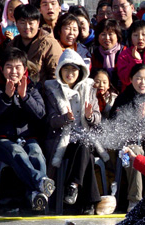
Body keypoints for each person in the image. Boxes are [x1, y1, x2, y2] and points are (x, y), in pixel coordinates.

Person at [0, 47, 53, 211]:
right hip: (1, 140)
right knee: (17, 152)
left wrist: (24, 97)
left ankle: (35, 195)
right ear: (1, 68)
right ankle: (40, 182)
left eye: (17, 67)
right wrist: (6, 97)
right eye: (9, 67)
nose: (13, 71)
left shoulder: (32, 87)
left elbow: (41, 114)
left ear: (24, 69)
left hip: (27, 137)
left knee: (36, 154)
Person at [45, 49, 105, 215]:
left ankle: (73, 185)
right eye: (66, 69)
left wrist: (89, 116)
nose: (70, 73)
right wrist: (65, 118)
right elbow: (50, 120)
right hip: (63, 140)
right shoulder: (52, 90)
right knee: (86, 154)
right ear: (60, 71)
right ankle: (89, 202)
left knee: (85, 145)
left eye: (74, 70)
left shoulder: (88, 88)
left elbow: (98, 118)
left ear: (80, 72)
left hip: (85, 136)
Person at [109, 64, 145, 211]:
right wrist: (137, 120)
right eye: (138, 79)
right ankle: (135, 200)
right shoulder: (123, 99)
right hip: (128, 145)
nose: (143, 83)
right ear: (131, 79)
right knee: (134, 152)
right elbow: (115, 127)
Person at [8, 4, 62, 84]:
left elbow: (56, 75)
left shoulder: (50, 44)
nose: (27, 27)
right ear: (16, 23)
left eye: (31, 23)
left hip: (42, 92)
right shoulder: (12, 45)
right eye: (22, 23)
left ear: (38, 23)